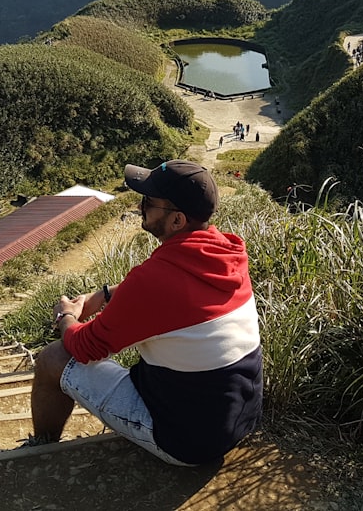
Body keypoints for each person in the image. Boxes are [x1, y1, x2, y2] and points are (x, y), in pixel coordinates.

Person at [28, 160, 263, 466]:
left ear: (177, 220)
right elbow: (171, 293)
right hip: (237, 420)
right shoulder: (228, 250)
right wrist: (106, 295)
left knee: (53, 359)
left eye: (149, 202)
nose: (141, 207)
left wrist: (66, 316)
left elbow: (86, 349)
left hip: (186, 443)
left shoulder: (154, 281)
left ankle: (39, 451)